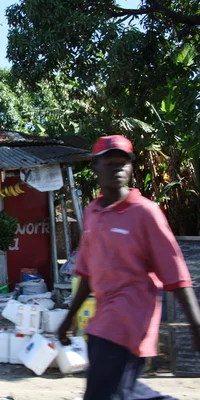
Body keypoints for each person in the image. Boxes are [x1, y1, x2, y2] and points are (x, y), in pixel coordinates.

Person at [58, 135, 200, 400]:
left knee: (105, 394)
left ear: (131, 167)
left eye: (123, 163)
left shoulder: (145, 213)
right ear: (96, 167)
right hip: (102, 322)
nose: (118, 169)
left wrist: (195, 322)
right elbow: (87, 271)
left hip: (132, 322)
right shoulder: (92, 212)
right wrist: (69, 317)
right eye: (110, 163)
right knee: (122, 392)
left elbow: (175, 272)